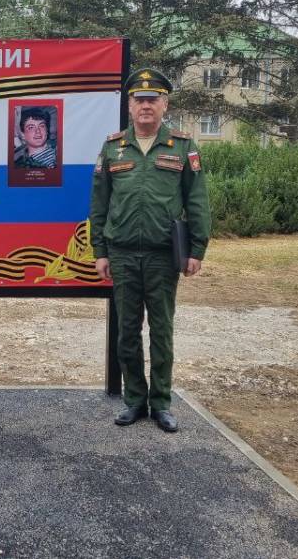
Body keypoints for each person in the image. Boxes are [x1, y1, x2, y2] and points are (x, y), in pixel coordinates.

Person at [89, 68, 210, 434]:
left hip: (162, 255)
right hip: (122, 254)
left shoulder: (182, 146)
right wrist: (100, 251)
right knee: (127, 331)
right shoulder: (113, 147)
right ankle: (134, 400)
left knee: (161, 331)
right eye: (139, 100)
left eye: (152, 100)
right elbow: (99, 203)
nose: (145, 106)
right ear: (129, 106)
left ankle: (161, 403)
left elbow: (197, 199)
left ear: (164, 104)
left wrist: (197, 248)